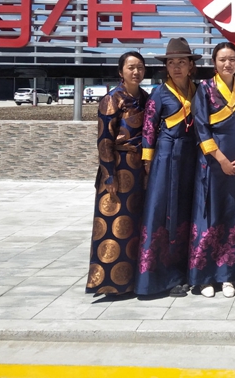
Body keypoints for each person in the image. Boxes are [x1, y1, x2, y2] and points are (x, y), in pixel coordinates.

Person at [134, 38, 201, 297]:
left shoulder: (198, 91)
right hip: (166, 157)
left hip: (191, 158)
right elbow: (148, 129)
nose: (176, 67)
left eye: (182, 62)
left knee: (186, 213)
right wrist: (148, 164)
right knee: (164, 214)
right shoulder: (159, 93)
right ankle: (159, 277)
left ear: (191, 65)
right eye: (171, 63)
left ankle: (185, 271)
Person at [188, 42, 235, 298]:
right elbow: (201, 127)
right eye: (222, 59)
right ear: (214, 62)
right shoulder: (204, 89)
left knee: (232, 215)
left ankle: (228, 275)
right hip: (212, 161)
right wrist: (221, 159)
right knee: (208, 215)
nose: (227, 64)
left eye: (232, 59)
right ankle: (205, 277)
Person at [86, 51, 149, 296]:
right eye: (131, 67)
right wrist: (109, 174)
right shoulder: (112, 99)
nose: (136, 72)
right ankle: (107, 283)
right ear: (120, 71)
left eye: (140, 67)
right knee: (112, 225)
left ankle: (131, 280)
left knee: (135, 224)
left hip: (139, 169)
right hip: (118, 168)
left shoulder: (145, 98)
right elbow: (104, 139)